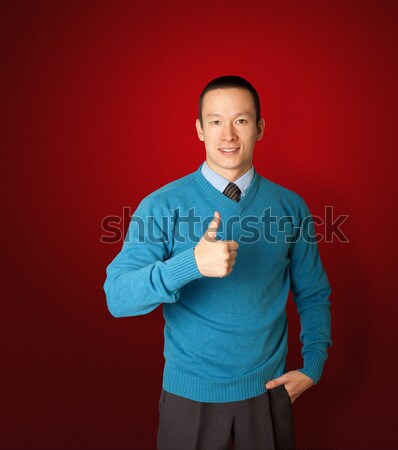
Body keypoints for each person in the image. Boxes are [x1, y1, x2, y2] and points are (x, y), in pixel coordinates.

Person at [103, 75, 332, 450]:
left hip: (268, 396)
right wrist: (190, 263)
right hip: (188, 400)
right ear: (199, 130)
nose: (228, 134)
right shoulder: (161, 206)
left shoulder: (290, 207)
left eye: (240, 120)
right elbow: (117, 298)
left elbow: (313, 293)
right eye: (215, 121)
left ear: (259, 128)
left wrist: (313, 365)